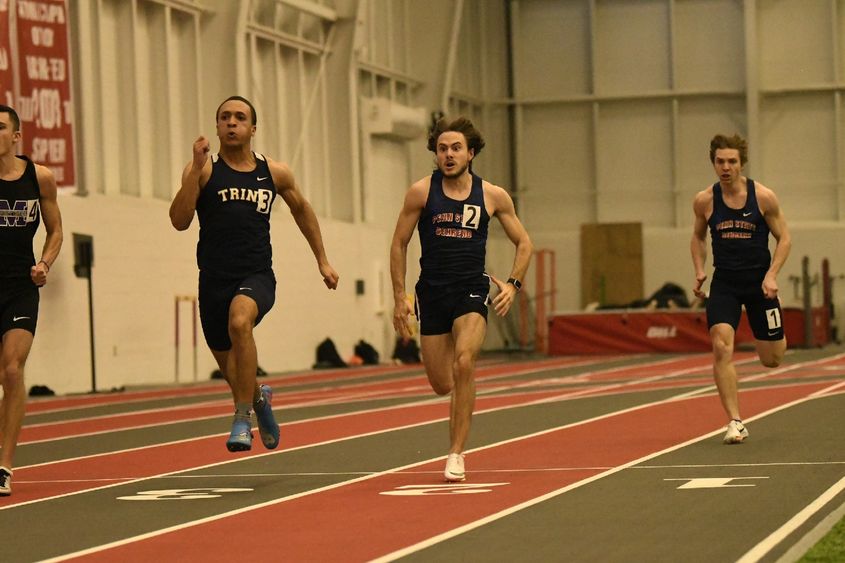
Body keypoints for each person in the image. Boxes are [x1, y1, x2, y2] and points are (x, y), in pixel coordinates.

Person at [169, 96, 339, 452]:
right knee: (232, 370)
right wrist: (193, 173)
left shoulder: (274, 172)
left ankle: (242, 415)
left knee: (240, 321)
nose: (232, 123)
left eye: (240, 117)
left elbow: (303, 211)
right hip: (213, 280)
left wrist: (322, 260)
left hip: (257, 275)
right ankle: (259, 399)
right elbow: (179, 221)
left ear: (253, 128)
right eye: (225, 117)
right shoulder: (202, 170)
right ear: (217, 127)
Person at [390, 116, 532, 481]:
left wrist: (513, 284)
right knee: (443, 383)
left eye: (456, 148)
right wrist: (398, 298)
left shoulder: (492, 195)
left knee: (465, 362)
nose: (448, 155)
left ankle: (456, 453)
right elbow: (399, 243)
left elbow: (524, 242)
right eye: (442, 149)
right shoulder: (421, 192)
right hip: (432, 292)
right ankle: (461, 393)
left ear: (470, 153)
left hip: (471, 288)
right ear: (435, 154)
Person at [691, 133, 791, 444]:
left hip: (761, 285)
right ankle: (735, 421)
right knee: (721, 345)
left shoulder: (763, 197)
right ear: (713, 163)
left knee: (771, 359)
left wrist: (772, 275)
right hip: (725, 284)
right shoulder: (705, 200)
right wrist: (698, 270)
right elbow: (697, 237)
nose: (726, 166)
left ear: (741, 163)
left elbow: (784, 238)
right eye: (720, 161)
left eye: (731, 161)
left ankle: (774, 335)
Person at [0, 105, 63, 495]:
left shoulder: (39, 178)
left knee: (11, 369)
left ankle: (4, 465)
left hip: (20, 286)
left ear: (16, 136)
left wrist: (45, 262)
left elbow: (55, 230)